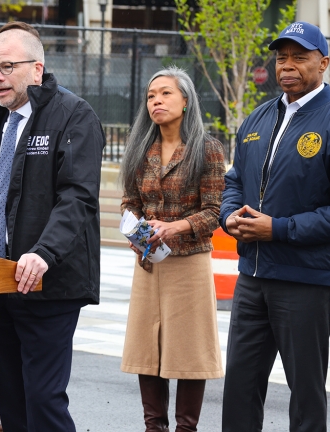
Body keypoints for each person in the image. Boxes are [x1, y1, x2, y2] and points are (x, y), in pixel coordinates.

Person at [0, 28, 104, 432]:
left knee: (43, 401)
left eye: (7, 66)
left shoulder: (73, 115)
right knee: (12, 405)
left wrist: (43, 253)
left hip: (47, 284)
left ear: (36, 69)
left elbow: (77, 197)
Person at [220, 22, 330, 432]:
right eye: (281, 57)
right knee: (239, 387)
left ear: (323, 63)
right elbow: (235, 178)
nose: (287, 66)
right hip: (252, 276)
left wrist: (280, 229)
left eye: (300, 57)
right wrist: (229, 214)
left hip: (306, 280)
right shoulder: (258, 118)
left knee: (305, 394)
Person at [119, 66, 225, 432]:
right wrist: (135, 226)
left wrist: (175, 227)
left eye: (165, 93)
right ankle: (154, 427)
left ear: (185, 101)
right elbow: (129, 201)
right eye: (151, 95)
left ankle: (185, 428)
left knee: (189, 351)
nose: (156, 101)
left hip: (189, 263)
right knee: (146, 350)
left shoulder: (207, 149)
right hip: (148, 262)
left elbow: (215, 212)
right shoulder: (140, 149)